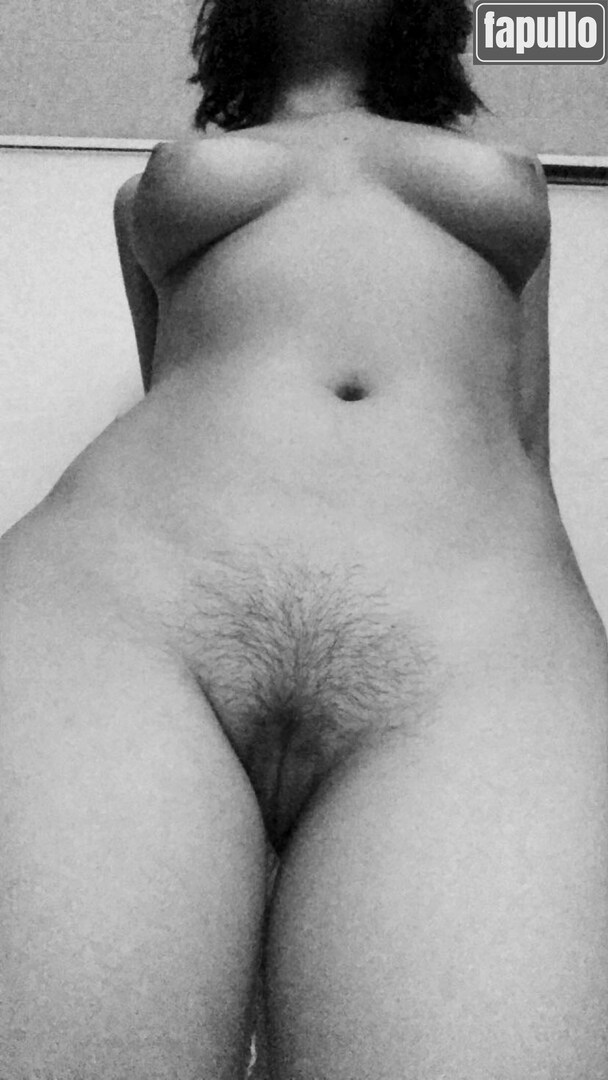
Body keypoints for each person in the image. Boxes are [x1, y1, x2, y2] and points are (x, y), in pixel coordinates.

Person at [1, 0, 607, 1075]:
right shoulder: (154, 190)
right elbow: (170, 374)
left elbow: (526, 445)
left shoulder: (510, 182)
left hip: (472, 629)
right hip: (123, 593)